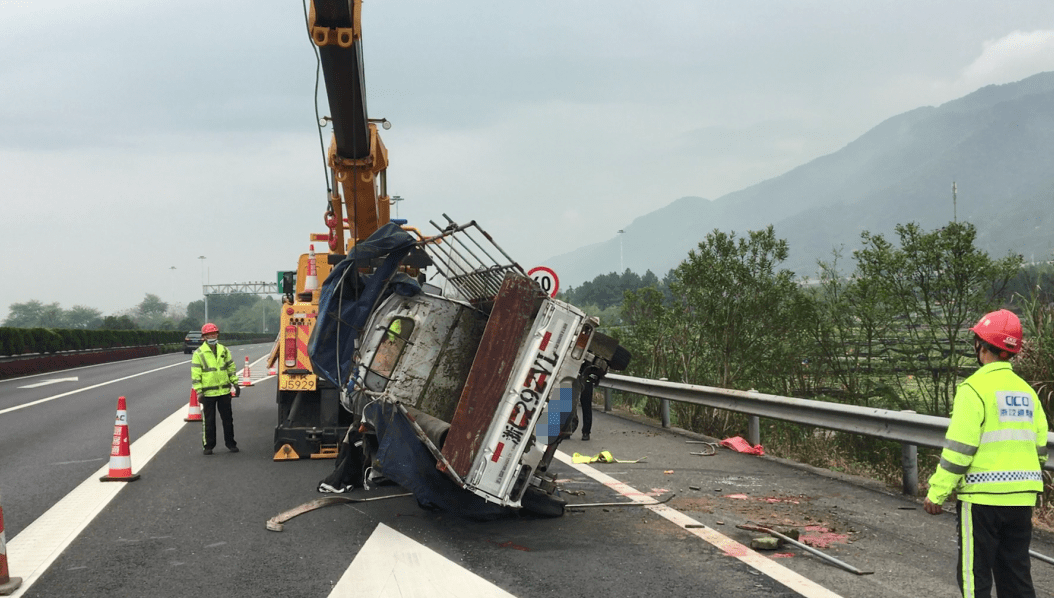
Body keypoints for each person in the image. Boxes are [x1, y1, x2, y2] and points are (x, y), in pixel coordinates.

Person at [924, 309, 1047, 598]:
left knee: (974, 576)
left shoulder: (973, 389)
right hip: (1021, 498)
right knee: (1016, 575)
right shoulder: (1028, 392)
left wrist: (937, 492)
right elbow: (1040, 450)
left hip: (981, 500)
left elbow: (959, 451)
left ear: (981, 345)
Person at [191, 323, 241, 455]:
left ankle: (231, 444)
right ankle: (208, 446)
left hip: (224, 391)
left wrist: (235, 383)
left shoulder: (224, 350)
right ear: (204, 337)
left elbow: (231, 368)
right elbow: (196, 374)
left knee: (228, 420)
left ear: (217, 334)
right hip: (208, 393)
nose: (212, 336)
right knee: (209, 421)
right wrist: (199, 392)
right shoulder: (199, 353)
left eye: (214, 333)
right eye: (209, 334)